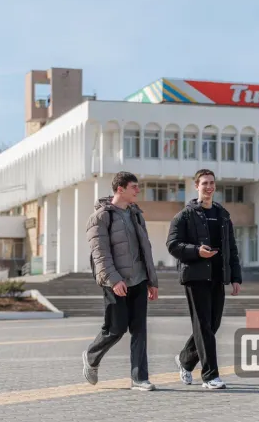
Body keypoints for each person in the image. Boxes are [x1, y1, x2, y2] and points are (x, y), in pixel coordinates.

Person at [81, 171, 160, 391]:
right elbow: (100, 254)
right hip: (115, 282)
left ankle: (139, 378)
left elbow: (146, 249)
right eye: (134, 187)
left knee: (140, 330)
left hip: (139, 280)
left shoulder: (136, 214)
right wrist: (114, 280)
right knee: (116, 329)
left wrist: (152, 281)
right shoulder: (101, 217)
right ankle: (91, 355)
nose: (138, 190)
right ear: (120, 189)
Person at [166, 168, 242, 390]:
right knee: (203, 325)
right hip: (195, 276)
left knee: (212, 325)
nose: (209, 187)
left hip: (217, 276)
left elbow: (232, 248)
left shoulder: (223, 215)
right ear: (196, 186)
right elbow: (173, 245)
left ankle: (185, 360)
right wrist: (196, 251)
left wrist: (235, 276)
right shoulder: (185, 215)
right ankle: (210, 376)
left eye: (211, 183)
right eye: (204, 183)